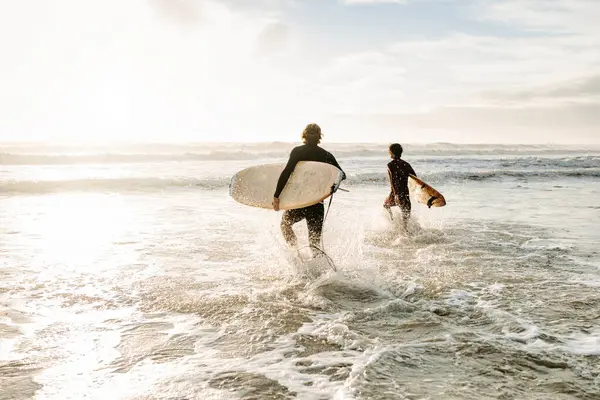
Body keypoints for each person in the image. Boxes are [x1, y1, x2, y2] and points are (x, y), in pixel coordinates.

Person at [272, 123, 346, 251]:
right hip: (317, 202)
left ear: (304, 135)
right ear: (319, 137)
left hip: (300, 201)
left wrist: (276, 195)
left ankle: (295, 252)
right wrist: (333, 185)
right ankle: (318, 268)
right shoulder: (325, 155)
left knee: (285, 225)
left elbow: (287, 173)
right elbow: (341, 174)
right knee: (314, 242)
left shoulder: (298, 151)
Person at [383, 143, 416, 230]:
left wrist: (395, 194)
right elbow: (415, 178)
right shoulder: (406, 164)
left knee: (386, 205)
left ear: (392, 152)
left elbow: (393, 181)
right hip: (405, 193)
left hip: (396, 193)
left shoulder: (390, 165)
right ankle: (406, 233)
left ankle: (393, 223)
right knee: (406, 218)